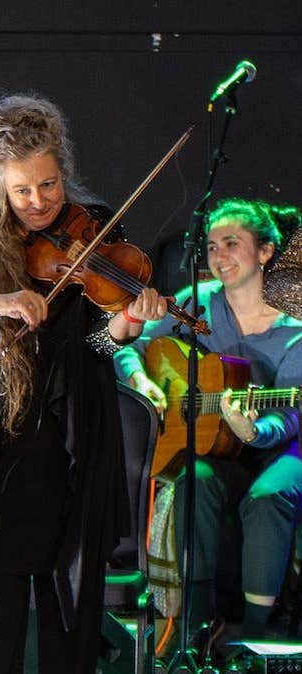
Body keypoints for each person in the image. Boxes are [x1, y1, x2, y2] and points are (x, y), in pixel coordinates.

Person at [0, 94, 167, 673]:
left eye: (47, 185)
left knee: (71, 601)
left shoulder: (93, 223)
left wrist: (127, 324)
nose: (39, 202)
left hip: (73, 428)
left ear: (61, 169)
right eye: (22, 191)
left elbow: (100, 339)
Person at [115, 197, 302, 640]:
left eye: (231, 243)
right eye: (212, 245)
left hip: (277, 447)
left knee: (268, 495)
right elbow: (130, 348)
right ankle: (190, 630)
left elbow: (292, 415)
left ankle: (255, 635)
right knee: (190, 483)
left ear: (265, 252)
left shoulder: (294, 329)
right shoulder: (194, 303)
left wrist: (254, 429)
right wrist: (144, 381)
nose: (218, 255)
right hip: (216, 444)